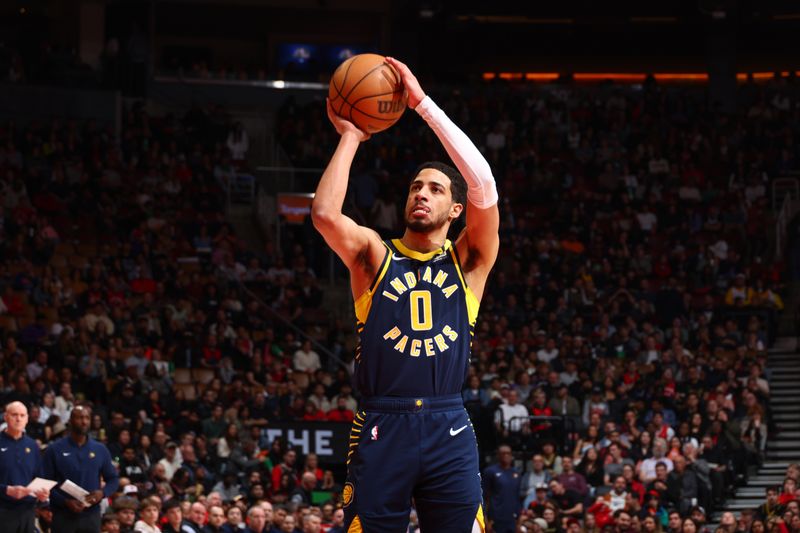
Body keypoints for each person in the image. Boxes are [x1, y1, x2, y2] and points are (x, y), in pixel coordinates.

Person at [312, 56, 499, 532]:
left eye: (435, 189)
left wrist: (421, 105)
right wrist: (351, 136)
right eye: (416, 186)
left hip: (448, 423)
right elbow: (325, 216)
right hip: (382, 422)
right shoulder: (375, 254)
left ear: (455, 208)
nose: (421, 193)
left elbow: (485, 185)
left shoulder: (469, 261)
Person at [42, 405, 120, 533]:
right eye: (79, 418)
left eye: (87, 418)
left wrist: (102, 493)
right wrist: (65, 501)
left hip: (91, 516)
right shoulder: (54, 449)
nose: (84, 422)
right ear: (70, 421)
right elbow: (46, 484)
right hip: (63, 516)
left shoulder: (100, 449)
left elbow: (113, 479)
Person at [0, 401, 50, 532]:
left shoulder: (32, 445)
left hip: (27, 511)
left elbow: (39, 477)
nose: (18, 419)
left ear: (27, 419)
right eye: (14, 415)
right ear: (5, 417)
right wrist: (7, 490)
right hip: (3, 510)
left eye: (22, 415)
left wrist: (43, 493)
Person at [482, 445, 521, 533]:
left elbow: (517, 497)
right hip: (496, 518)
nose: (506, 455)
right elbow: (485, 497)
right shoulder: (489, 471)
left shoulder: (516, 473)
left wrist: (518, 520)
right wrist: (485, 519)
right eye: (503, 453)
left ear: (511, 455)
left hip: (512, 518)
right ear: (498, 455)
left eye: (508, 453)